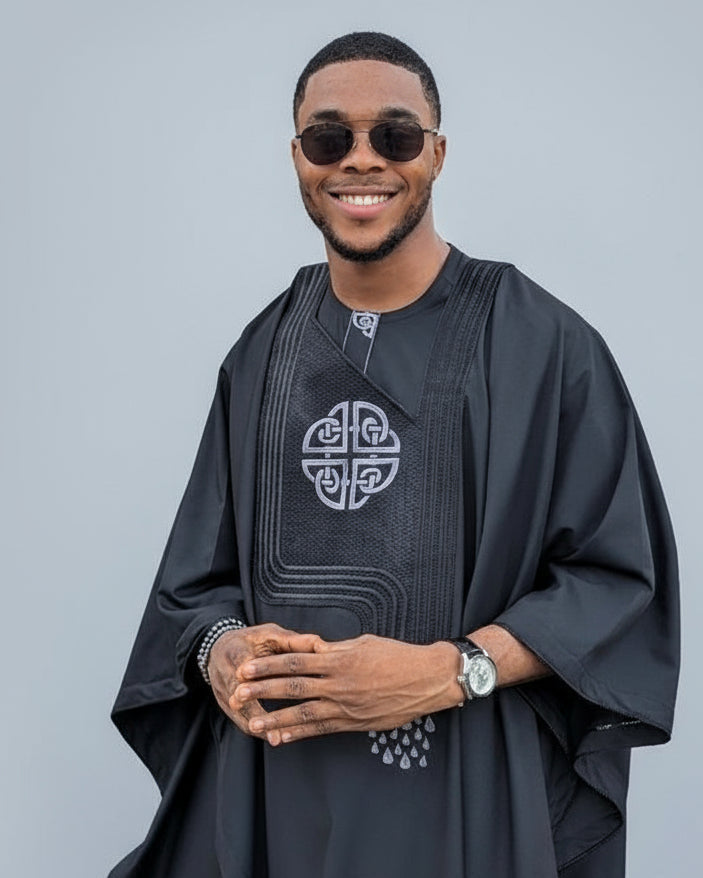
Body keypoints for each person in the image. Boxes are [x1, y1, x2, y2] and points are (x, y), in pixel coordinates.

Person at [108, 31, 680, 878]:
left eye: (396, 136)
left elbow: (615, 584)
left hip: (462, 799)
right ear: (298, 155)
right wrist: (220, 649)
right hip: (272, 798)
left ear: (437, 153)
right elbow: (194, 590)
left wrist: (452, 672)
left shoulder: (543, 346)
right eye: (329, 137)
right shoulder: (261, 353)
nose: (361, 162)